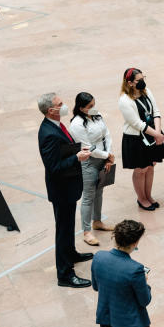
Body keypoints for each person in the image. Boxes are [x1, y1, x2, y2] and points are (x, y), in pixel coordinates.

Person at [38, 92, 93, 288]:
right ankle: (65, 274)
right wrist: (76, 158)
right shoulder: (49, 134)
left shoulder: (57, 126)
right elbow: (53, 167)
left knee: (69, 225)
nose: (64, 105)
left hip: (68, 186)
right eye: (60, 104)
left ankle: (71, 253)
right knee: (63, 230)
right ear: (50, 110)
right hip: (61, 189)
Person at [68, 92, 115, 247]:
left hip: (103, 158)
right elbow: (87, 147)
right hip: (89, 162)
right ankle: (86, 231)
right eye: (90, 106)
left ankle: (97, 221)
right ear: (81, 108)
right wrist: (107, 154)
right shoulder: (76, 124)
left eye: (94, 104)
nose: (94, 108)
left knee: (100, 190)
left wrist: (108, 156)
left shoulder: (96, 114)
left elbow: (106, 134)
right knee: (88, 196)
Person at [118, 68, 164, 211]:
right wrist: (157, 135)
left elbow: (156, 111)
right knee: (141, 169)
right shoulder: (124, 100)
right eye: (139, 80)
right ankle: (142, 198)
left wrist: (157, 132)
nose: (143, 82)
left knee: (151, 166)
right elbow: (137, 124)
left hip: (152, 131)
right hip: (136, 138)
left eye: (143, 78)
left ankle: (149, 196)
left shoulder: (147, 91)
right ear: (130, 83)